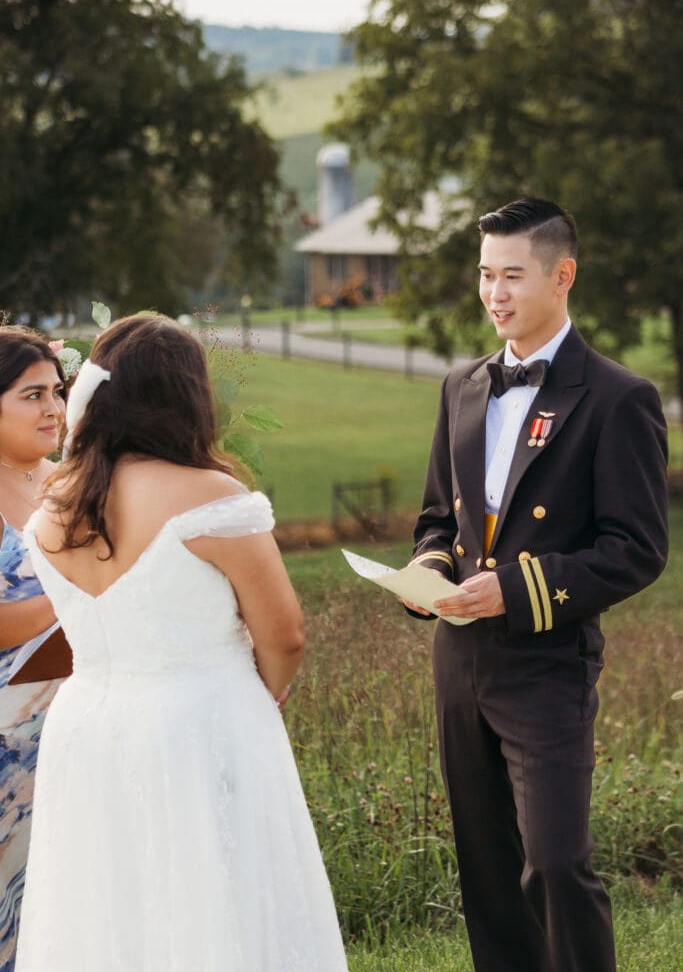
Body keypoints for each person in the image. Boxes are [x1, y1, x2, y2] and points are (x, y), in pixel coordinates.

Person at [15, 314, 348, 972]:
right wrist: (265, 692)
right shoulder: (211, 497)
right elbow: (285, 633)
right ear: (185, 394)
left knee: (110, 906)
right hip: (204, 718)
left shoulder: (54, 507)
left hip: (86, 726)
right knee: (216, 897)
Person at [403, 198, 668, 972]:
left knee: (553, 861)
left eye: (511, 275)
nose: (494, 294)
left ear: (563, 275)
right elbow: (433, 519)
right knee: (486, 871)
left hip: (547, 662)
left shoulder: (619, 398)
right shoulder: (459, 387)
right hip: (459, 660)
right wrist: (427, 567)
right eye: (485, 275)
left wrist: (514, 591)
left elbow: (636, 550)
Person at [0, 326, 70, 971]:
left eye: (57, 391)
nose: (53, 408)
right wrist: (77, 596)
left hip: (78, 724)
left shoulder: (73, 481)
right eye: (31, 394)